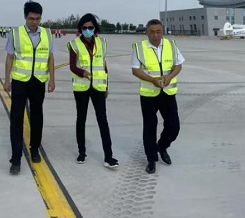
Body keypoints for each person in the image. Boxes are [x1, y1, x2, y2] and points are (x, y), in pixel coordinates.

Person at [4, 1, 55, 175]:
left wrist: (52, 79)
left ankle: (35, 149)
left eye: (38, 19)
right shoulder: (15, 33)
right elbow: (9, 57)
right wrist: (7, 80)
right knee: (16, 118)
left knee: (37, 116)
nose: (34, 22)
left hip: (38, 81)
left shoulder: (47, 34)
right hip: (20, 81)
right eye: (31, 18)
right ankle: (16, 157)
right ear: (25, 17)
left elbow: (50, 57)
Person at [131, 19, 184, 174]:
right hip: (149, 94)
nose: (155, 35)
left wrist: (169, 77)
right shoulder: (139, 47)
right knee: (149, 127)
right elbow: (135, 70)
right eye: (152, 32)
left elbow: (178, 65)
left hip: (168, 92)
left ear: (163, 32)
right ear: (147, 33)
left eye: (158, 31)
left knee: (174, 126)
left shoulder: (171, 45)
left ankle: (162, 146)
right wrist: (152, 80)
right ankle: (151, 159)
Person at [68, 13, 118, 169]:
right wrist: (82, 73)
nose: (87, 30)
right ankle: (81, 152)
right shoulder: (74, 44)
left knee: (102, 120)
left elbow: (103, 65)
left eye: (90, 27)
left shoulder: (102, 43)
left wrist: (106, 86)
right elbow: (72, 66)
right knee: (81, 119)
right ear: (80, 29)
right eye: (84, 27)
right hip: (81, 87)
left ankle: (108, 156)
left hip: (98, 87)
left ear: (95, 28)